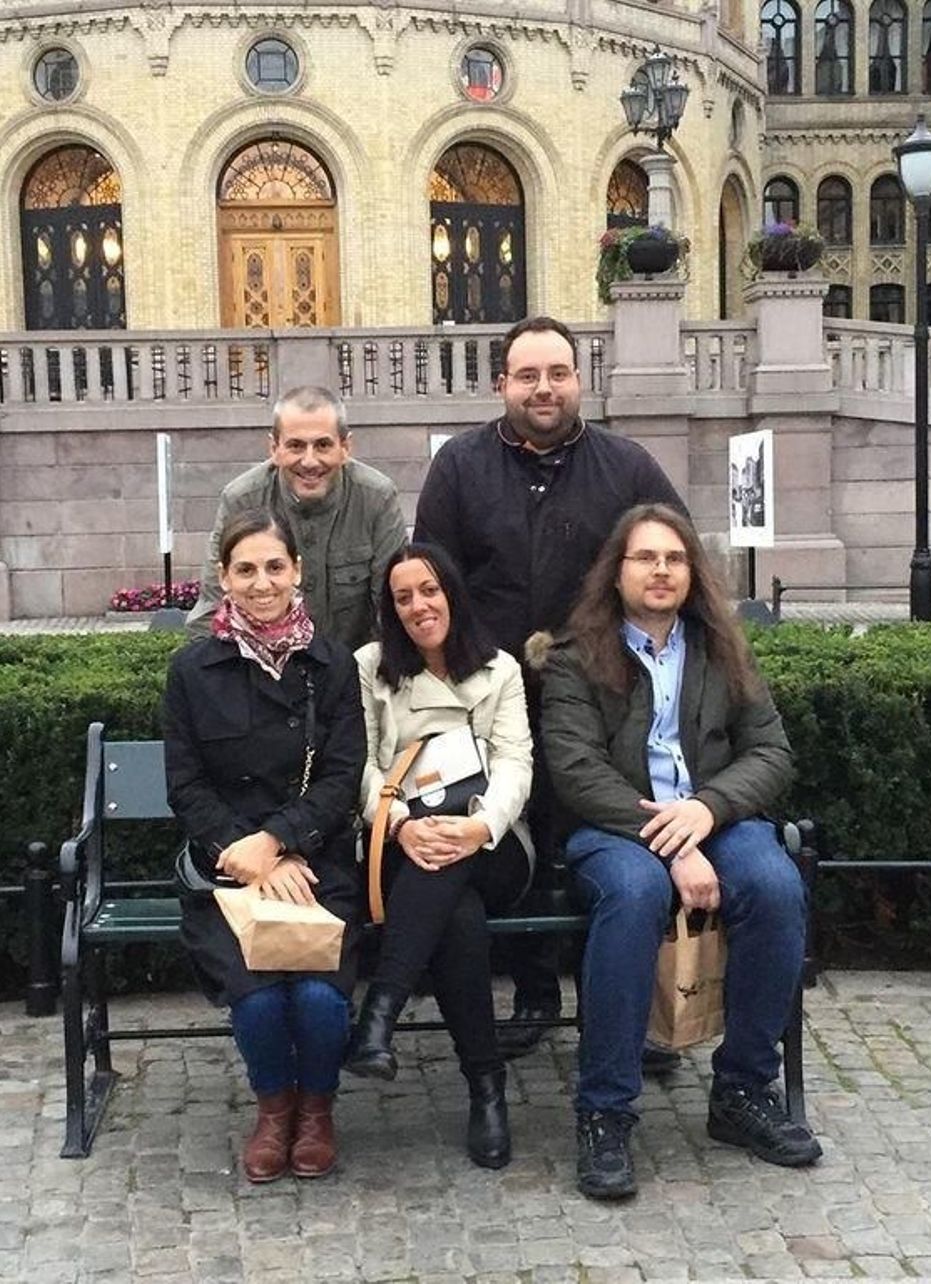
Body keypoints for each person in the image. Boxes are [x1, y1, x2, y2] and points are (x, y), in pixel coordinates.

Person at [413, 315, 687, 1060]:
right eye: (527, 375)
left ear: (579, 380)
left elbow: (675, 560)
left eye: (557, 374)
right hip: (491, 698)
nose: (544, 388)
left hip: (604, 699)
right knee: (523, 846)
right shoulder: (460, 468)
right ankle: (533, 993)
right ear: (501, 383)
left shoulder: (626, 468)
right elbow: (432, 581)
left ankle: (631, 1009)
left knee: (610, 847)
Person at [538, 503, 820, 1201]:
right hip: (614, 827)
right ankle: (605, 1109)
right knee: (634, 897)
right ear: (617, 572)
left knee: (777, 886)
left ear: (691, 572)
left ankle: (743, 1090)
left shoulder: (722, 649)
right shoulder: (576, 657)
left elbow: (771, 752)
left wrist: (706, 810)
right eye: (645, 558)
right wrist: (669, 841)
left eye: (674, 558)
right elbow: (575, 771)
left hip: (713, 818)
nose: (661, 570)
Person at [162, 507, 366, 1184]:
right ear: (223, 578)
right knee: (257, 999)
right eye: (245, 569)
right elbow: (187, 787)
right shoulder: (192, 670)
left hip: (315, 863)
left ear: (297, 572)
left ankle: (317, 1111)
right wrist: (244, 854)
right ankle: (274, 1110)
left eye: (274, 567)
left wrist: (281, 842)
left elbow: (342, 776)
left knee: (316, 998)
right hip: (227, 872)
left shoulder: (332, 665)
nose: (261, 583)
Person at [344, 543, 535, 1168]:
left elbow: (515, 762)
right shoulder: (371, 667)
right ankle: (487, 1089)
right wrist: (399, 825)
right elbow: (362, 768)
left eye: (430, 590)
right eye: (403, 597)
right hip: (402, 840)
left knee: (451, 869)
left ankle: (381, 1011)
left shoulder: (499, 668)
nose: (420, 606)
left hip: (493, 842)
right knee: (458, 918)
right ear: (390, 610)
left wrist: (478, 828)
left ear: (452, 591)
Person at [189, 385, 408, 651]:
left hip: (355, 671)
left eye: (323, 445)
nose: (309, 461)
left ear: (345, 447)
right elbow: (211, 611)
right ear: (274, 448)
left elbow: (394, 607)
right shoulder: (241, 500)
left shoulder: (376, 499)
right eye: (295, 446)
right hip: (259, 672)